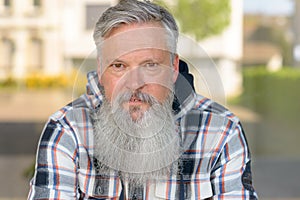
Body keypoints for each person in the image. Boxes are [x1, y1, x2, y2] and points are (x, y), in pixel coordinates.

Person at [28, 0, 257, 199]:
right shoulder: (68, 129)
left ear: (173, 67)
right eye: (119, 66)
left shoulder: (222, 132)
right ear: (100, 69)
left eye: (150, 65)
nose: (135, 83)